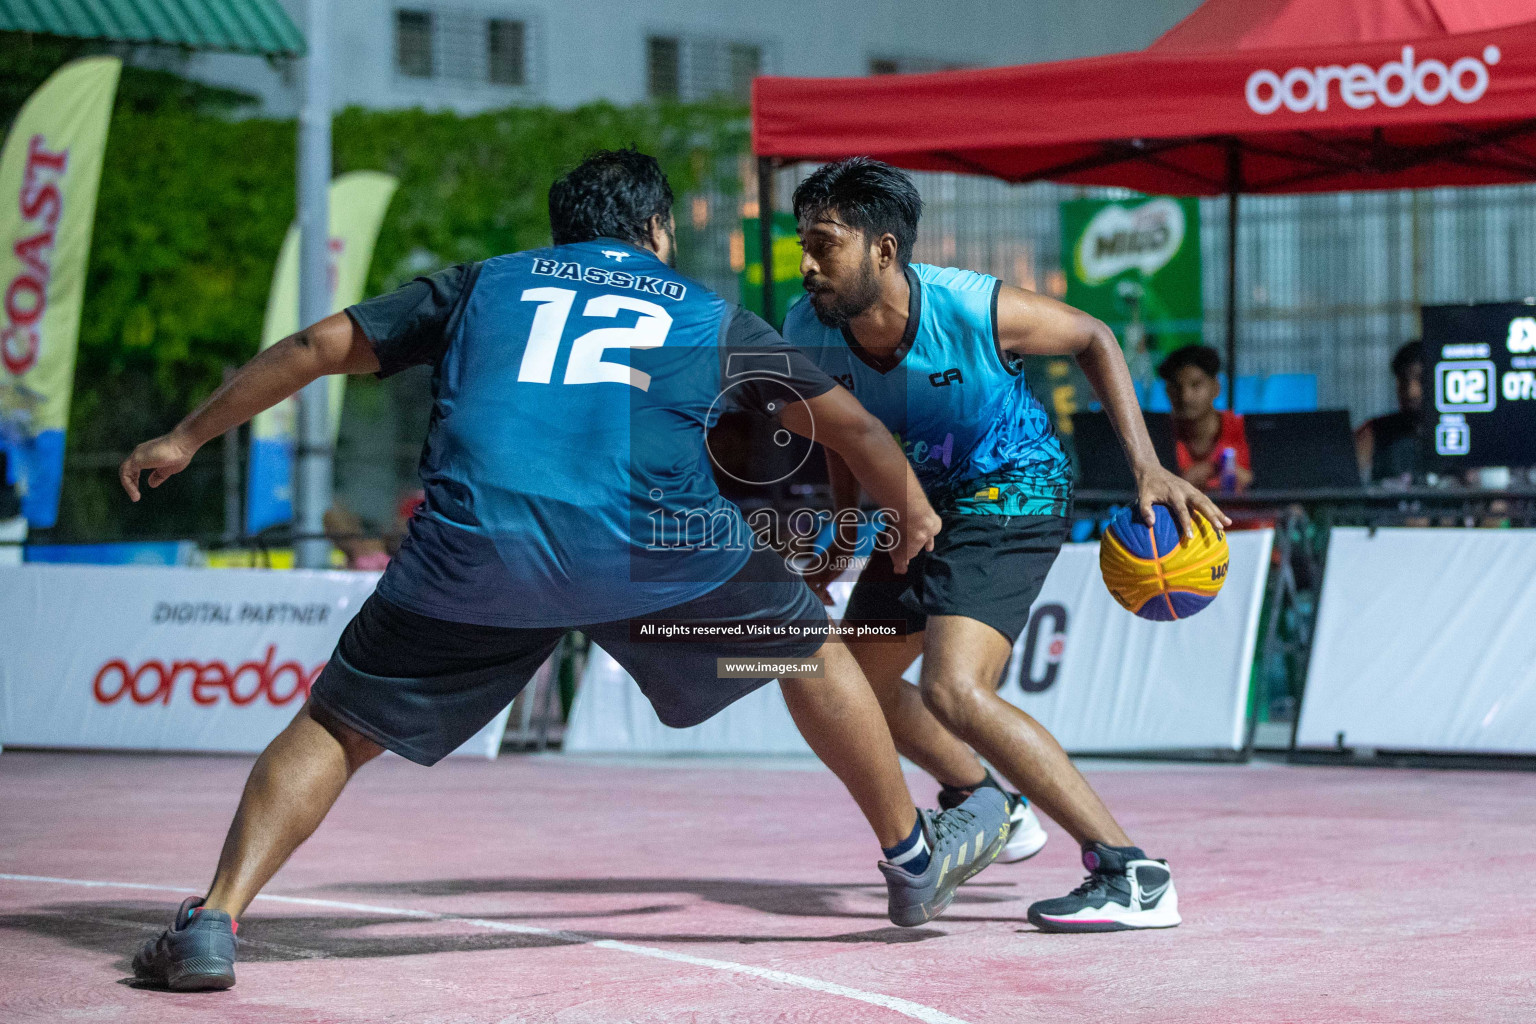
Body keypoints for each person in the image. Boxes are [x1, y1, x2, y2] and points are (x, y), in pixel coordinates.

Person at [117, 149, 1009, 991]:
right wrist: (915, 512)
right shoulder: (704, 311)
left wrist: (186, 435)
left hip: (477, 555)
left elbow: (317, 347)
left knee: (339, 726)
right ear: (656, 229)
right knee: (806, 654)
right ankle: (912, 858)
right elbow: (849, 425)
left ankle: (214, 919)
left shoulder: (484, 284)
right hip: (657, 556)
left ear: (562, 232)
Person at [786, 158, 1229, 933]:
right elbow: (843, 429)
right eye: (803, 243)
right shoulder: (808, 327)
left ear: (884, 252)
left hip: (1014, 489)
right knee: (852, 687)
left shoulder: (969, 307)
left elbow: (1093, 336)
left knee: (957, 688)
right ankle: (987, 804)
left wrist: (1146, 465)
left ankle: (1133, 872)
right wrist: (845, 525)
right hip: (921, 501)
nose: (807, 262)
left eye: (825, 243)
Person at [1160, 344, 1253, 493]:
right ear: (1168, 391)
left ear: (1216, 387)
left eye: (1195, 385)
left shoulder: (1245, 428)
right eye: (1177, 387)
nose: (1185, 397)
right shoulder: (1156, 434)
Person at [1354, 340, 1423, 484]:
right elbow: (1341, 479)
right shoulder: (1374, 431)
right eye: (1403, 380)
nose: (1411, 392)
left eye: (1421, 380)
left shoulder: (1464, 436)